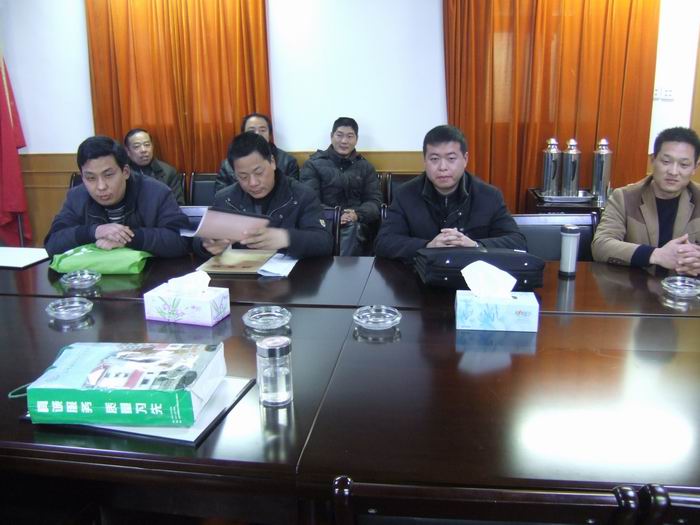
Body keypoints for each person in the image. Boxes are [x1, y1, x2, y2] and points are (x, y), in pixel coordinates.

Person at [375, 125, 526, 261]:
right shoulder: (405, 194)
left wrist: (475, 245)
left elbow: (517, 241)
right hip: (420, 276)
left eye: (451, 158)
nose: (442, 167)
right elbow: (383, 243)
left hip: (473, 275)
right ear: (425, 161)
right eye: (434, 159)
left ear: (465, 159)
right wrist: (428, 245)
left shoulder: (489, 196)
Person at [45, 136, 190, 257]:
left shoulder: (156, 192)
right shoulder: (76, 197)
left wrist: (127, 238)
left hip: (150, 277)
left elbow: (181, 240)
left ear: (125, 172)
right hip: (94, 276)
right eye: (90, 178)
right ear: (82, 177)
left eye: (108, 175)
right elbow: (53, 244)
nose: (101, 186)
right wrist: (94, 231)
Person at [194, 132, 332, 259]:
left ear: (272, 162)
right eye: (243, 176)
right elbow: (198, 240)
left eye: (259, 172)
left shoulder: (301, 195)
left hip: (292, 275)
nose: (253, 183)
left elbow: (324, 242)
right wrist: (207, 244)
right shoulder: (226, 198)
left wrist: (287, 238)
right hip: (240, 275)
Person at [591, 126, 700, 276]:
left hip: (686, 288)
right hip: (636, 288)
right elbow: (600, 246)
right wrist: (656, 255)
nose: (673, 172)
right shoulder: (625, 197)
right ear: (653, 160)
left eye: (684, 165)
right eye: (666, 161)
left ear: (695, 167)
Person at [300, 117, 382, 255]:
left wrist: (357, 215)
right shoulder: (313, 165)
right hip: (323, 222)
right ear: (331, 136)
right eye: (339, 135)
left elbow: (375, 201)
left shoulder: (366, 167)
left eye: (350, 136)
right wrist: (336, 215)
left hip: (358, 223)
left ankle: (342, 268)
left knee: (353, 228)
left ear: (356, 139)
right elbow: (310, 202)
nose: (344, 141)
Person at [215, 112, 299, 193]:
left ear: (269, 134)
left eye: (262, 130)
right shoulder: (227, 165)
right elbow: (222, 195)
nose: (257, 134)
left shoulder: (288, 161)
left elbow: (293, 192)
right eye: (251, 131)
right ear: (243, 134)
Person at [124, 128, 185, 205]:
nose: (143, 150)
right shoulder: (122, 173)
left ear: (152, 146)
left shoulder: (168, 172)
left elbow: (178, 204)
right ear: (127, 151)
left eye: (147, 145)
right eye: (137, 146)